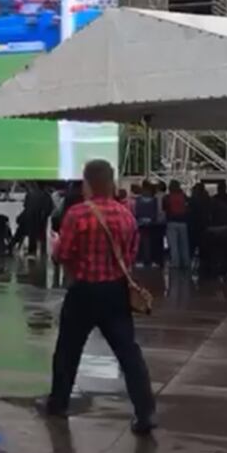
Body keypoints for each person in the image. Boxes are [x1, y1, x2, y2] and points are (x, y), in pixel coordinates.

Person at [45, 159, 156, 436]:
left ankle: (59, 403)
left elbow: (63, 254)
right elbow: (130, 255)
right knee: (128, 353)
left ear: (87, 184)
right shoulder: (126, 215)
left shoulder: (77, 214)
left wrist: (56, 248)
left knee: (68, 351)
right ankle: (145, 411)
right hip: (115, 292)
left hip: (83, 291)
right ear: (111, 183)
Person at [132, 182, 160, 269]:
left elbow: (136, 212)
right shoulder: (154, 200)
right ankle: (148, 260)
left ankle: (141, 259)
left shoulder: (138, 200)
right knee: (149, 242)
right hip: (151, 224)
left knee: (140, 242)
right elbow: (155, 213)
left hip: (140, 223)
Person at [163, 180, 190, 269]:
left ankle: (175, 263)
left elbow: (164, 208)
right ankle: (186, 262)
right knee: (184, 244)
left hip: (171, 222)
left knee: (173, 244)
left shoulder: (167, 197)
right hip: (183, 222)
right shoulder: (184, 196)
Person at [188, 183, 212, 266]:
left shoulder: (193, 200)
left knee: (192, 247)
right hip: (205, 226)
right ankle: (204, 264)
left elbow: (189, 212)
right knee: (204, 248)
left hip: (194, 226)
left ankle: (191, 264)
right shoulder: (208, 199)